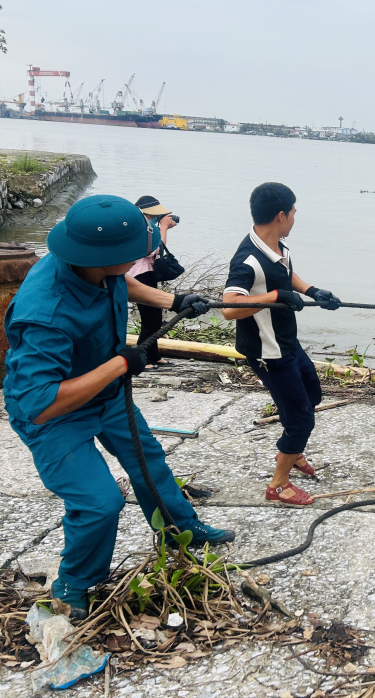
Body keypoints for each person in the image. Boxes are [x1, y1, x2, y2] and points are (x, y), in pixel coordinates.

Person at [3, 194, 232, 619]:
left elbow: (120, 280)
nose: (139, 257)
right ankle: (75, 580)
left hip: (105, 394)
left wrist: (174, 301)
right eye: (132, 253)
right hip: (56, 416)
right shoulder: (44, 313)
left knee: (148, 457)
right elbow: (40, 402)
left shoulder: (91, 265)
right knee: (99, 502)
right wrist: (121, 363)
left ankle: (179, 529)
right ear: (99, 256)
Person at [222, 183, 342, 506]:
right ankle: (278, 484)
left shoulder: (277, 245)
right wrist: (274, 298)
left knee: (312, 394)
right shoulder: (248, 259)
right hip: (267, 353)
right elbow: (229, 307)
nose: (295, 217)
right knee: (301, 418)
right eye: (293, 212)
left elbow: (286, 276)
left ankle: (292, 451)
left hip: (287, 342)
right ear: (280, 215)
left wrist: (313, 291)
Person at [126, 195, 179, 368]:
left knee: (154, 319)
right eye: (153, 215)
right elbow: (153, 250)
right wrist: (163, 228)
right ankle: (143, 356)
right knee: (151, 320)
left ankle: (153, 355)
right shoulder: (140, 226)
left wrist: (160, 228)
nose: (154, 218)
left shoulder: (146, 226)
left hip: (147, 275)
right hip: (140, 276)